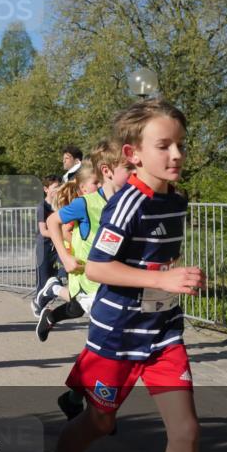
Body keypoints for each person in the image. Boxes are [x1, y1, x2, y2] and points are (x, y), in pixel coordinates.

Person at [42, 100, 205, 452]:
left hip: (163, 335)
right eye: (164, 145)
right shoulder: (127, 203)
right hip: (116, 336)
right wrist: (161, 278)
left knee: (187, 431)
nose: (176, 155)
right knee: (98, 422)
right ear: (133, 153)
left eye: (180, 145)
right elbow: (97, 268)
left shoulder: (177, 200)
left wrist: (179, 278)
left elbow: (159, 260)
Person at [35, 142, 131, 342]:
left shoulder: (127, 202)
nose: (134, 173)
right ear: (108, 172)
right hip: (87, 272)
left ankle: (51, 313)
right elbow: (54, 222)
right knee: (110, 328)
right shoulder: (85, 203)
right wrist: (66, 256)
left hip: (113, 272)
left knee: (76, 308)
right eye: (129, 168)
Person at [35, 175, 62, 297]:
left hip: (57, 245)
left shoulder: (61, 205)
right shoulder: (42, 207)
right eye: (55, 187)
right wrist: (61, 234)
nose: (58, 189)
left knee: (56, 277)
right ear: (46, 189)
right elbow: (43, 231)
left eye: (59, 186)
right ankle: (39, 303)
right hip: (44, 247)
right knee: (44, 279)